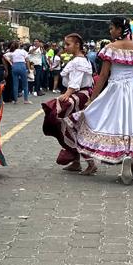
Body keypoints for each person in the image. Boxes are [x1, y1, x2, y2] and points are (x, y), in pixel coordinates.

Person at [67, 17, 133, 182]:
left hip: (116, 88)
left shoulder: (110, 48)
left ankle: (125, 158)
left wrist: (92, 99)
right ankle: (130, 161)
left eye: (112, 28)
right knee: (132, 124)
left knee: (116, 123)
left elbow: (103, 75)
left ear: (119, 29)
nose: (110, 31)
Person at [44, 34, 95, 171]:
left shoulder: (79, 61)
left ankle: (90, 163)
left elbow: (75, 82)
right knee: (72, 127)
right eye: (65, 44)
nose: (65, 47)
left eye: (68, 44)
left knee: (73, 127)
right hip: (79, 94)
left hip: (79, 95)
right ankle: (76, 161)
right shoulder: (80, 59)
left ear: (77, 45)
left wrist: (67, 94)